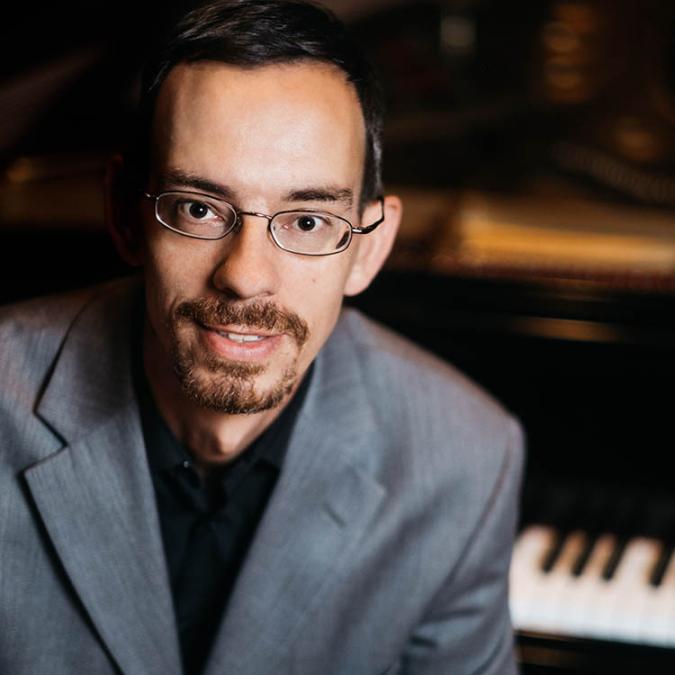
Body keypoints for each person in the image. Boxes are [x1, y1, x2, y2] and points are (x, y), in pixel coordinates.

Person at [0, 1, 524, 673]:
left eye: (307, 221)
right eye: (198, 208)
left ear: (368, 249)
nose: (245, 277)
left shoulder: (464, 458)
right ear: (125, 217)